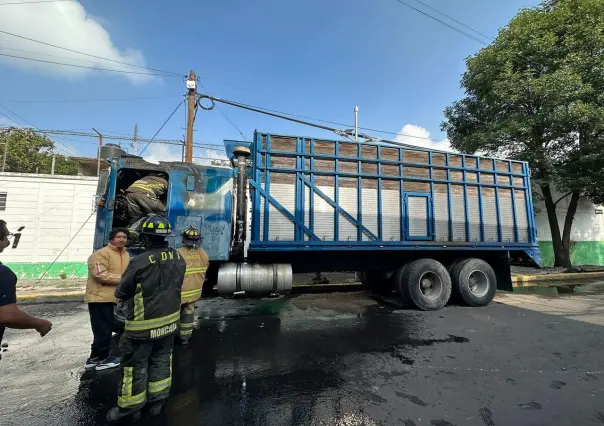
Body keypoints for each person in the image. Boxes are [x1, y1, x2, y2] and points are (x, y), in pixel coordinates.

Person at [107, 214, 186, 423]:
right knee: (162, 361)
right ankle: (157, 402)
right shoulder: (178, 257)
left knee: (134, 366)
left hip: (142, 327)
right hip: (169, 323)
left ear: (145, 238)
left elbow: (122, 292)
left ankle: (130, 408)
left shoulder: (140, 261)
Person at [0, 220, 52, 359]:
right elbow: (7, 315)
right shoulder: (2, 273)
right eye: (7, 236)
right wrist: (39, 323)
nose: (8, 242)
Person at [85, 228, 130, 371]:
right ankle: (104, 358)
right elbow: (100, 274)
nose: (122, 239)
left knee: (105, 328)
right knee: (102, 329)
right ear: (111, 239)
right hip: (100, 298)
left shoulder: (125, 254)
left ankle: (94, 358)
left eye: (124, 237)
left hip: (113, 298)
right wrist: (124, 280)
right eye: (118, 237)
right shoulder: (100, 254)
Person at [176, 226, 209, 345]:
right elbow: (205, 268)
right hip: (194, 291)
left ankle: (170, 338)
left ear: (183, 240)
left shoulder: (178, 252)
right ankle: (185, 338)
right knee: (188, 314)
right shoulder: (203, 253)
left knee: (174, 315)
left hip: (179, 292)